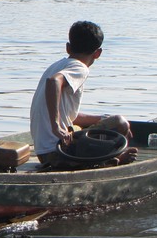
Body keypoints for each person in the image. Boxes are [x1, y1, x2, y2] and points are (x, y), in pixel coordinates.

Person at [30, 20, 133, 167]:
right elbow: (54, 82)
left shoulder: (56, 66)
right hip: (60, 151)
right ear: (98, 53)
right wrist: (56, 126)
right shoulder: (79, 68)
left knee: (108, 122)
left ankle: (106, 160)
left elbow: (71, 116)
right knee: (119, 122)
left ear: (68, 48)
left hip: (43, 153)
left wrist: (103, 119)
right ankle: (108, 160)